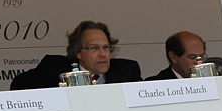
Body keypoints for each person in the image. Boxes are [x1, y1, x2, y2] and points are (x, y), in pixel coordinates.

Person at [10, 20, 142, 90]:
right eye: (94, 48)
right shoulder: (54, 68)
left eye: (106, 47)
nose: (103, 54)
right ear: (78, 52)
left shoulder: (127, 71)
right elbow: (18, 85)